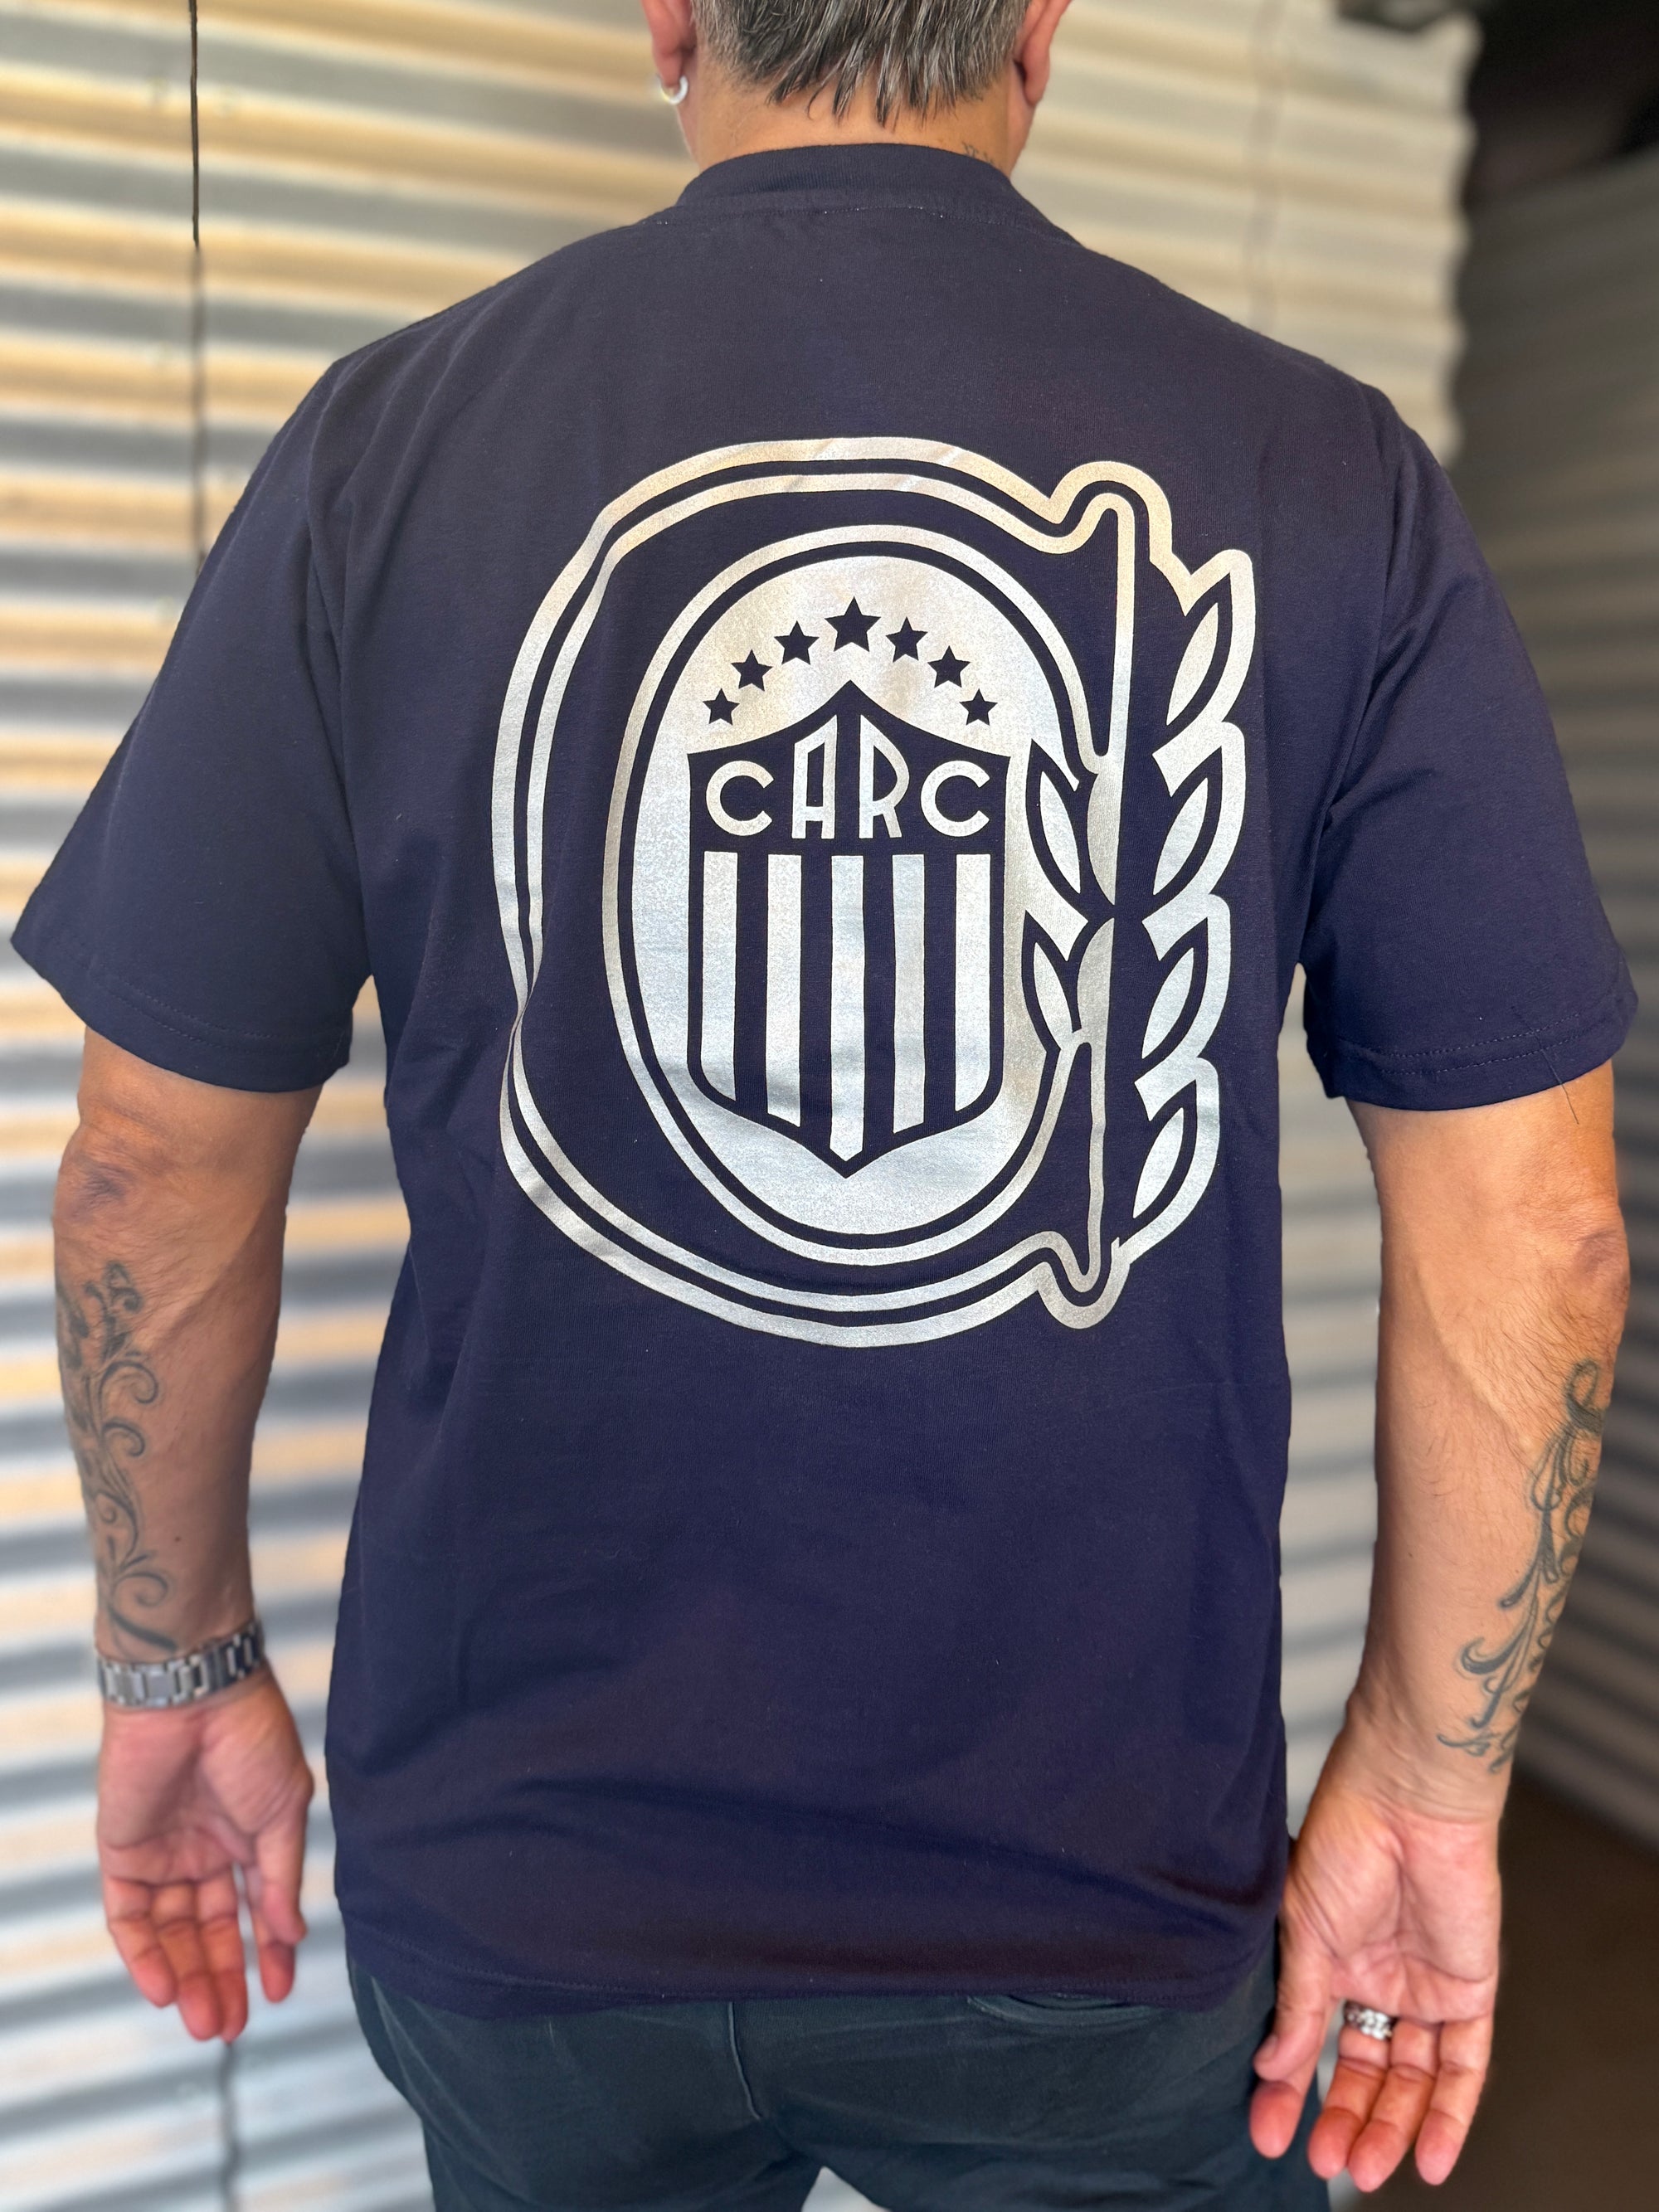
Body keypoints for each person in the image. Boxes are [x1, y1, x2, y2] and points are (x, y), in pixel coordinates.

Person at [21, 0, 1632, 2204]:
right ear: (1038, 27)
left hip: (534, 1900)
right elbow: (1541, 1236)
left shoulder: (385, 449)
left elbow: (142, 1170)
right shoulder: (1324, 475)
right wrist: (1435, 1786)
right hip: (1094, 1903)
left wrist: (174, 1660)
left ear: (673, 17)